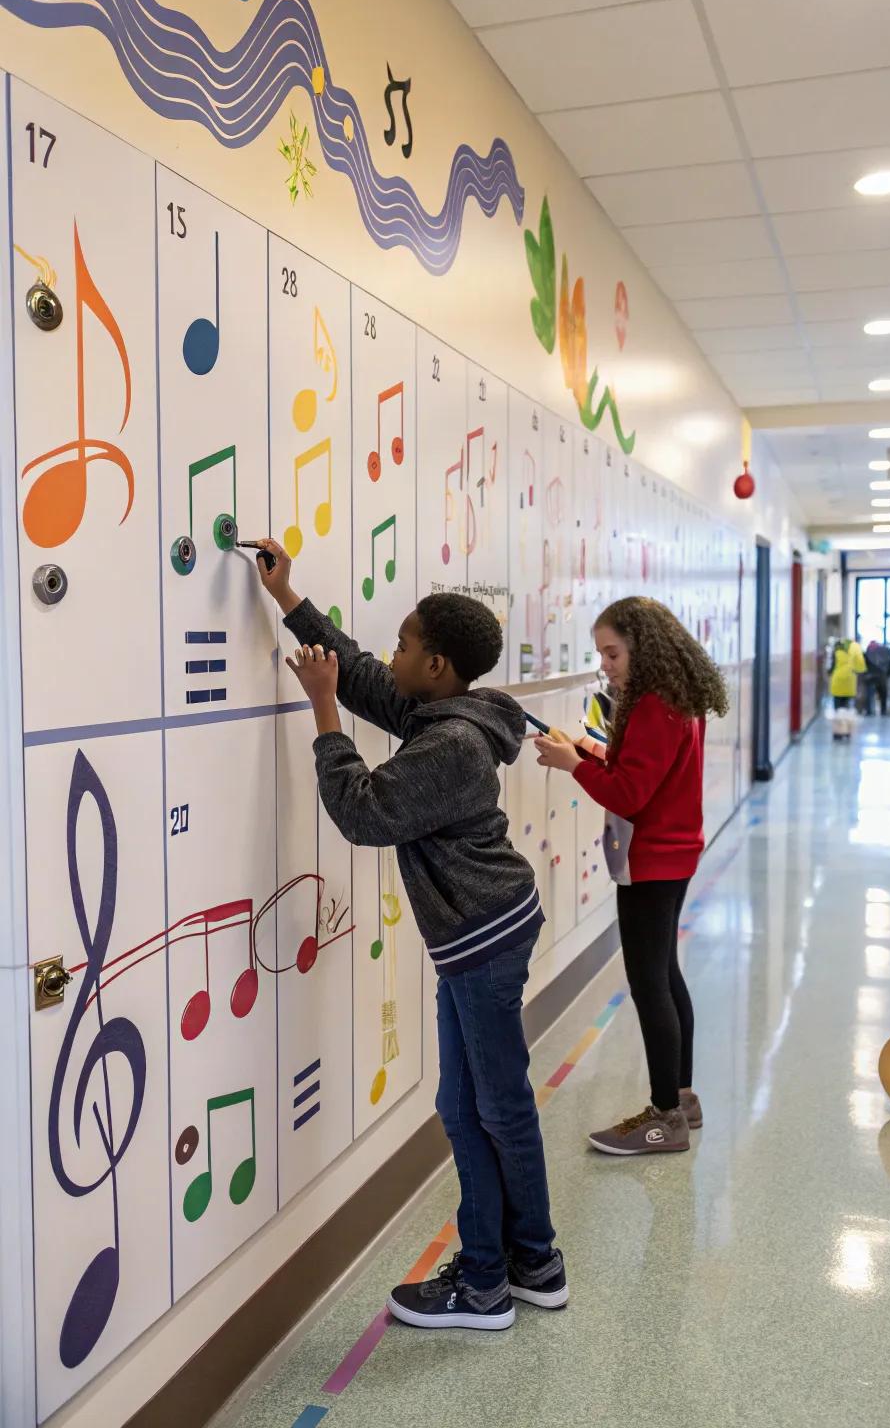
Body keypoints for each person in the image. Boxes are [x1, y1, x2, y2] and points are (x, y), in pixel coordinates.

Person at [256, 538, 566, 1332]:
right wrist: (290, 601)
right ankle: (526, 1263)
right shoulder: (444, 713)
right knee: (471, 1105)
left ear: (436, 668)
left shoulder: (451, 744)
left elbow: (363, 811)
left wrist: (321, 709)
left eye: (404, 643)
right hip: (481, 935)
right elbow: (362, 673)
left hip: (482, 941)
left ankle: (497, 1279)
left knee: (491, 1107)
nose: (390, 653)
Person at [533, 597, 729, 1157]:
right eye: (602, 655)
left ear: (643, 645)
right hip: (675, 853)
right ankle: (682, 1098)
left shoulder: (650, 706)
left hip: (651, 861)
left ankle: (664, 1117)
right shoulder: (677, 700)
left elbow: (627, 794)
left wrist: (573, 765)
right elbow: (640, 772)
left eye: (612, 653)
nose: (607, 665)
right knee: (665, 974)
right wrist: (587, 749)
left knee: (649, 984)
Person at [829, 639, 865, 735]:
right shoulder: (854, 652)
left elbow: (831, 668)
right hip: (850, 683)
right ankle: (847, 732)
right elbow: (860, 667)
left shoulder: (835, 653)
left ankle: (837, 732)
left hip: (837, 682)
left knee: (837, 709)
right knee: (847, 708)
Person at [862, 639, 890, 716]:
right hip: (882, 676)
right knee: (883, 694)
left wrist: (865, 673)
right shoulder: (886, 652)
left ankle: (869, 711)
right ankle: (883, 711)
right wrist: (889, 673)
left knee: (869, 694)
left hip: (870, 676)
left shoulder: (867, 652)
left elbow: (864, 664)